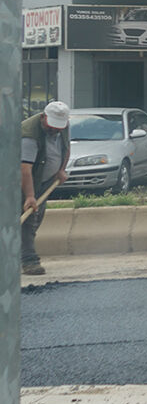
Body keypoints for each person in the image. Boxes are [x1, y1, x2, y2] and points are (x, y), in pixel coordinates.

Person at [19, 102, 70, 277]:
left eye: (58, 128)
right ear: (43, 117)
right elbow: (25, 169)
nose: (55, 130)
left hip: (43, 181)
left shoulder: (62, 126)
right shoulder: (29, 135)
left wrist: (61, 170)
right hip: (18, 180)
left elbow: (66, 148)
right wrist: (30, 196)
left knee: (36, 219)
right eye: (52, 126)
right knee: (27, 220)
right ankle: (29, 261)